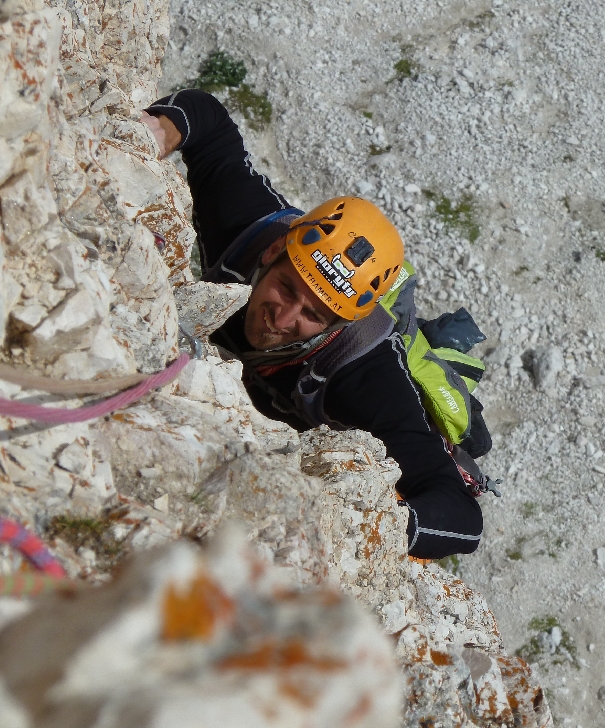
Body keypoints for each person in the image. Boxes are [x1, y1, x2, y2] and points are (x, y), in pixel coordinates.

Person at [140, 89, 495, 559]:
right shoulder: (247, 231)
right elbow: (208, 122)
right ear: (274, 251)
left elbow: (463, 520)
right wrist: (157, 133)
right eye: (286, 288)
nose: (283, 318)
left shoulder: (363, 375)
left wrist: (372, 524)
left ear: (342, 322)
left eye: (314, 315)